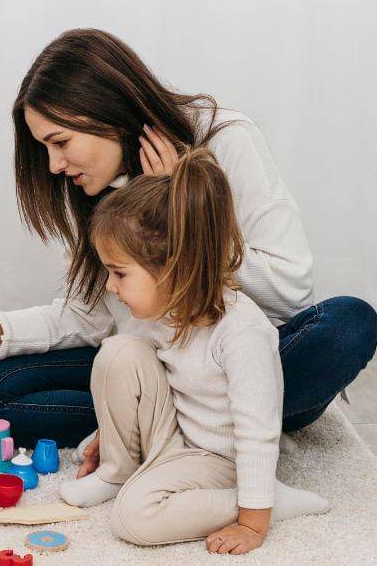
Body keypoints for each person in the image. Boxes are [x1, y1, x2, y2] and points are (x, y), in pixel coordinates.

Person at [0, 29, 377, 462]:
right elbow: (89, 315)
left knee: (348, 323)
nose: (53, 164)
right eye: (45, 147)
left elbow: (290, 291)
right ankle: (191, 430)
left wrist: (184, 216)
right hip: (150, 368)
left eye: (60, 141)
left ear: (105, 112)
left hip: (238, 366)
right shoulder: (98, 186)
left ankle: (173, 428)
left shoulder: (225, 139)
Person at [56, 147, 329, 554]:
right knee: (117, 351)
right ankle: (118, 472)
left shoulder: (241, 332)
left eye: (119, 273)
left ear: (174, 268)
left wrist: (253, 522)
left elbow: (257, 432)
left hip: (222, 460)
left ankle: (267, 498)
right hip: (178, 436)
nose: (111, 286)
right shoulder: (156, 312)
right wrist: (110, 437)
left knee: (134, 517)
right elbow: (137, 384)